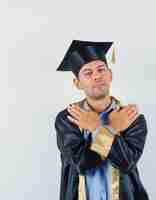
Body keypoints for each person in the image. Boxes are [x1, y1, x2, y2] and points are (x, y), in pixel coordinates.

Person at [54, 40, 149, 200]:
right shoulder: (68, 119)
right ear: (77, 83)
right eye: (88, 73)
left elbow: (126, 163)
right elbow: (82, 164)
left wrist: (97, 128)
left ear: (110, 75)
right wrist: (110, 128)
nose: (97, 76)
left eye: (101, 69)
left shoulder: (131, 118)